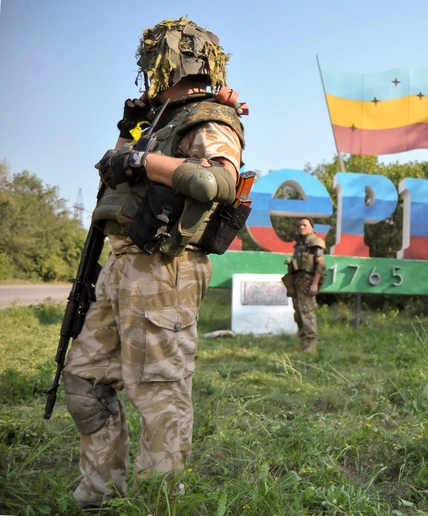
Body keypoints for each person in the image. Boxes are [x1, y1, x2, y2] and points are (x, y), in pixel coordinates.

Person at [60, 17, 246, 509]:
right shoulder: (158, 121)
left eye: (151, 61)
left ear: (170, 60)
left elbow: (217, 183)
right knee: (83, 380)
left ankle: (157, 504)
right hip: (122, 264)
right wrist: (129, 135)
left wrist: (141, 161)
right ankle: (100, 493)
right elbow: (113, 177)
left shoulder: (208, 118)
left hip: (166, 267)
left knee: (161, 395)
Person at [285, 217, 327, 352]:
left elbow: (321, 265)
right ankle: (303, 344)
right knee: (298, 314)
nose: (301, 227)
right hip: (297, 281)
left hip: (308, 282)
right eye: (300, 225)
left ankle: (311, 345)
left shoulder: (315, 243)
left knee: (307, 313)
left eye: (304, 225)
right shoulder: (299, 244)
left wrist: (315, 284)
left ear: (312, 227)